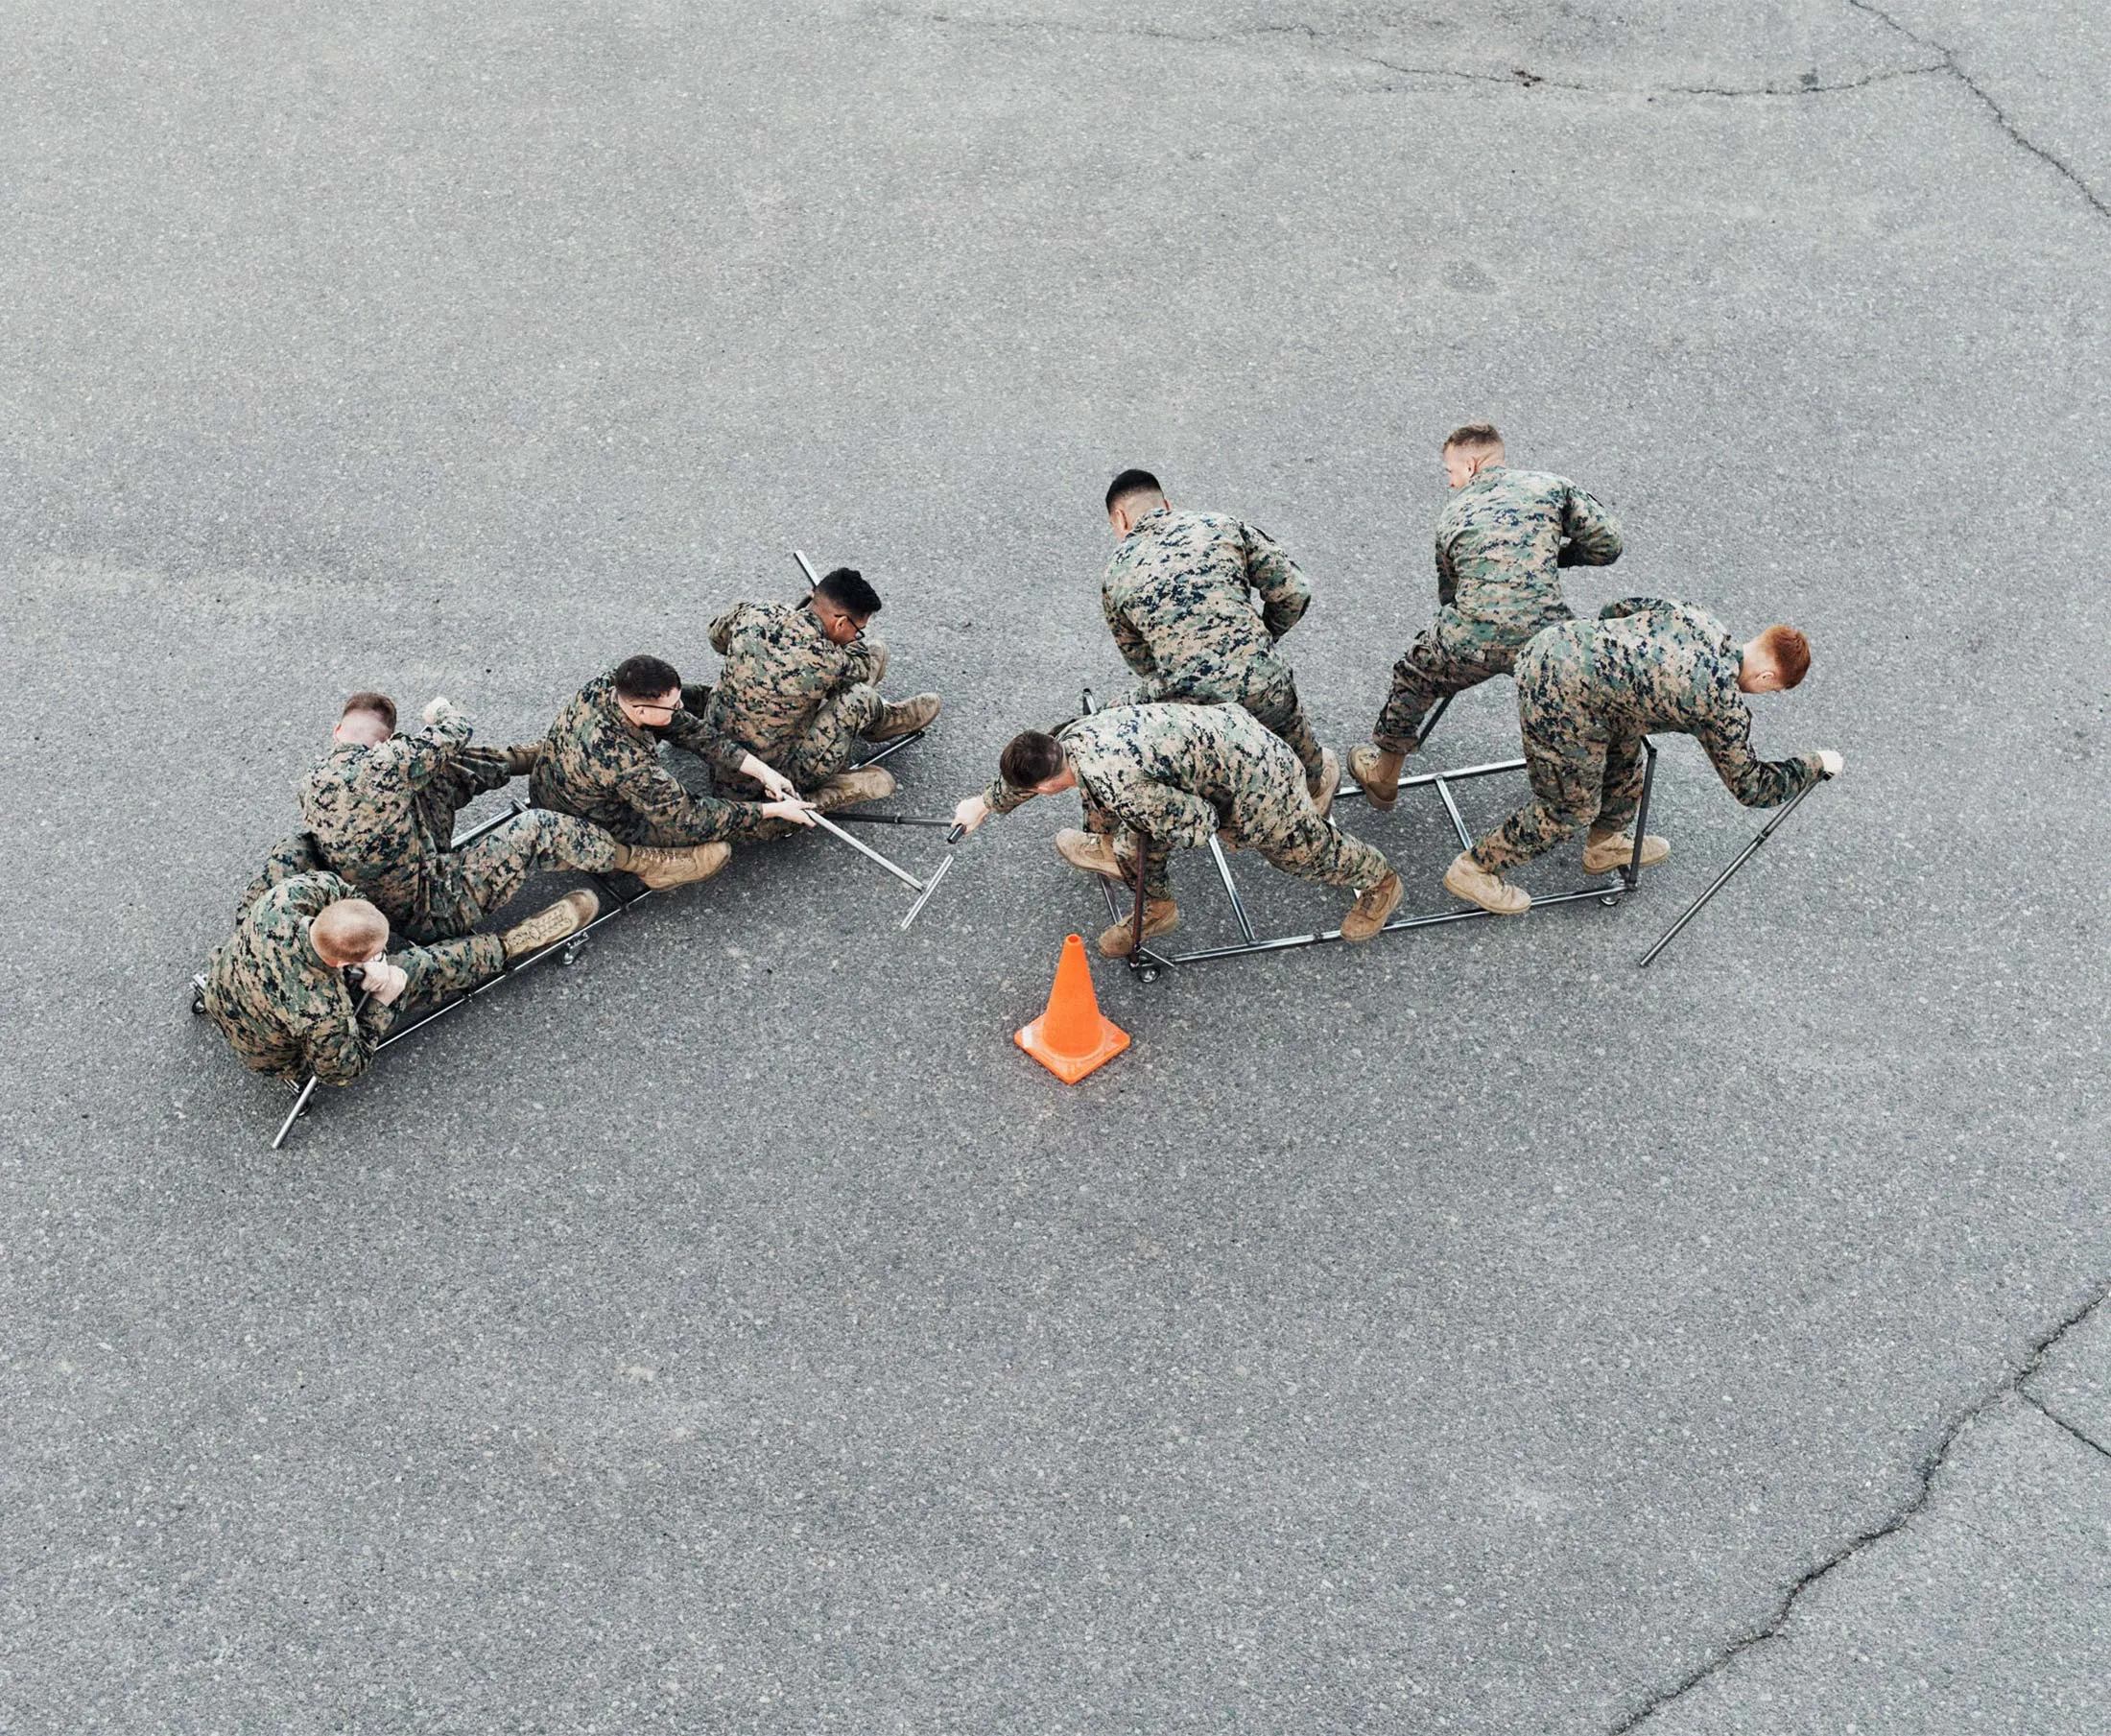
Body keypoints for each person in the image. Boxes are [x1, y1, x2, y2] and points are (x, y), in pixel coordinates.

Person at [1443, 597, 1843, 915]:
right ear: (1768, 677)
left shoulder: (1701, 619)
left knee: (1627, 748)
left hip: (1555, 644)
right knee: (1569, 809)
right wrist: (1815, 764)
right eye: (1772, 690)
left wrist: (1621, 677)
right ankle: (1475, 868)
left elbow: (1616, 610)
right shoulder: (1721, 701)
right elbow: (1752, 787)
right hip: (1561, 696)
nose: (1764, 694)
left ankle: (1604, 843)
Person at [252, 691, 734, 943]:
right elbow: (456, 728)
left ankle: (541, 757)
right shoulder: (387, 763)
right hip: (432, 907)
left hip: (386, 880)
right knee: (535, 827)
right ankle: (647, 863)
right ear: (385, 744)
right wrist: (440, 710)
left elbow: (422, 766)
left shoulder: (312, 779)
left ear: (337, 732)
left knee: (438, 771)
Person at [951, 702, 1400, 958]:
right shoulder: (1070, 737)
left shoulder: (1121, 784)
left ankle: (1381, 882)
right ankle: (1158, 907)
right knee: (1132, 839)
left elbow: (1199, 824)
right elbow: (1048, 780)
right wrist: (984, 804)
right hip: (1225, 742)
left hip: (1257, 783)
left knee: (1302, 853)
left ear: (1047, 786)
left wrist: (1149, 824)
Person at [1349, 424, 1624, 808]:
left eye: (1450, 472)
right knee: (1585, 697)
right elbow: (1608, 544)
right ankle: (1601, 805)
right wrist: (1553, 557)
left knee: (1414, 677)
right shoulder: (1552, 487)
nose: (1450, 483)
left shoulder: (1452, 515)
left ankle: (1384, 775)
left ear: (1472, 466)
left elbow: (1450, 594)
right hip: (1545, 637)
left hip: (1470, 635)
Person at [200, 871, 595, 1087]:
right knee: (412, 971)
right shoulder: (324, 1013)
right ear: (343, 967)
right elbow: (342, 1070)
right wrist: (385, 995)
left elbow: (341, 890)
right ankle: (509, 945)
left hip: (223, 986)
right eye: (374, 952)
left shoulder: (286, 898)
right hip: (275, 1055)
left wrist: (369, 948)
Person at [1098, 468, 1338, 808]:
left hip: (1195, 710)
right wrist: (1259, 640)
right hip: (1263, 684)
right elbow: (1295, 591)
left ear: (1120, 519)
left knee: (1115, 726)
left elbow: (1141, 661)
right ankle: (1313, 789)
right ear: (1165, 505)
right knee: (1297, 740)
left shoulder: (1114, 574)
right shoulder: (1221, 525)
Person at [699, 565, 939, 811]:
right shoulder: (827, 660)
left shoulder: (756, 611)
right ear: (841, 622)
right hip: (766, 781)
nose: (857, 636)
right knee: (860, 697)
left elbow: (716, 638)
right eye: (858, 631)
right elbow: (862, 669)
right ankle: (879, 724)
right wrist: (850, 646)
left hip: (714, 750)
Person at [531, 655, 816, 847]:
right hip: (582, 825)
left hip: (552, 783)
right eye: (673, 706)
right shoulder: (624, 761)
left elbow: (694, 733)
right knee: (713, 839)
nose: (680, 709)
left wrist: (763, 772)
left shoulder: (611, 686)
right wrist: (773, 809)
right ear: (641, 709)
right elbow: (691, 819)